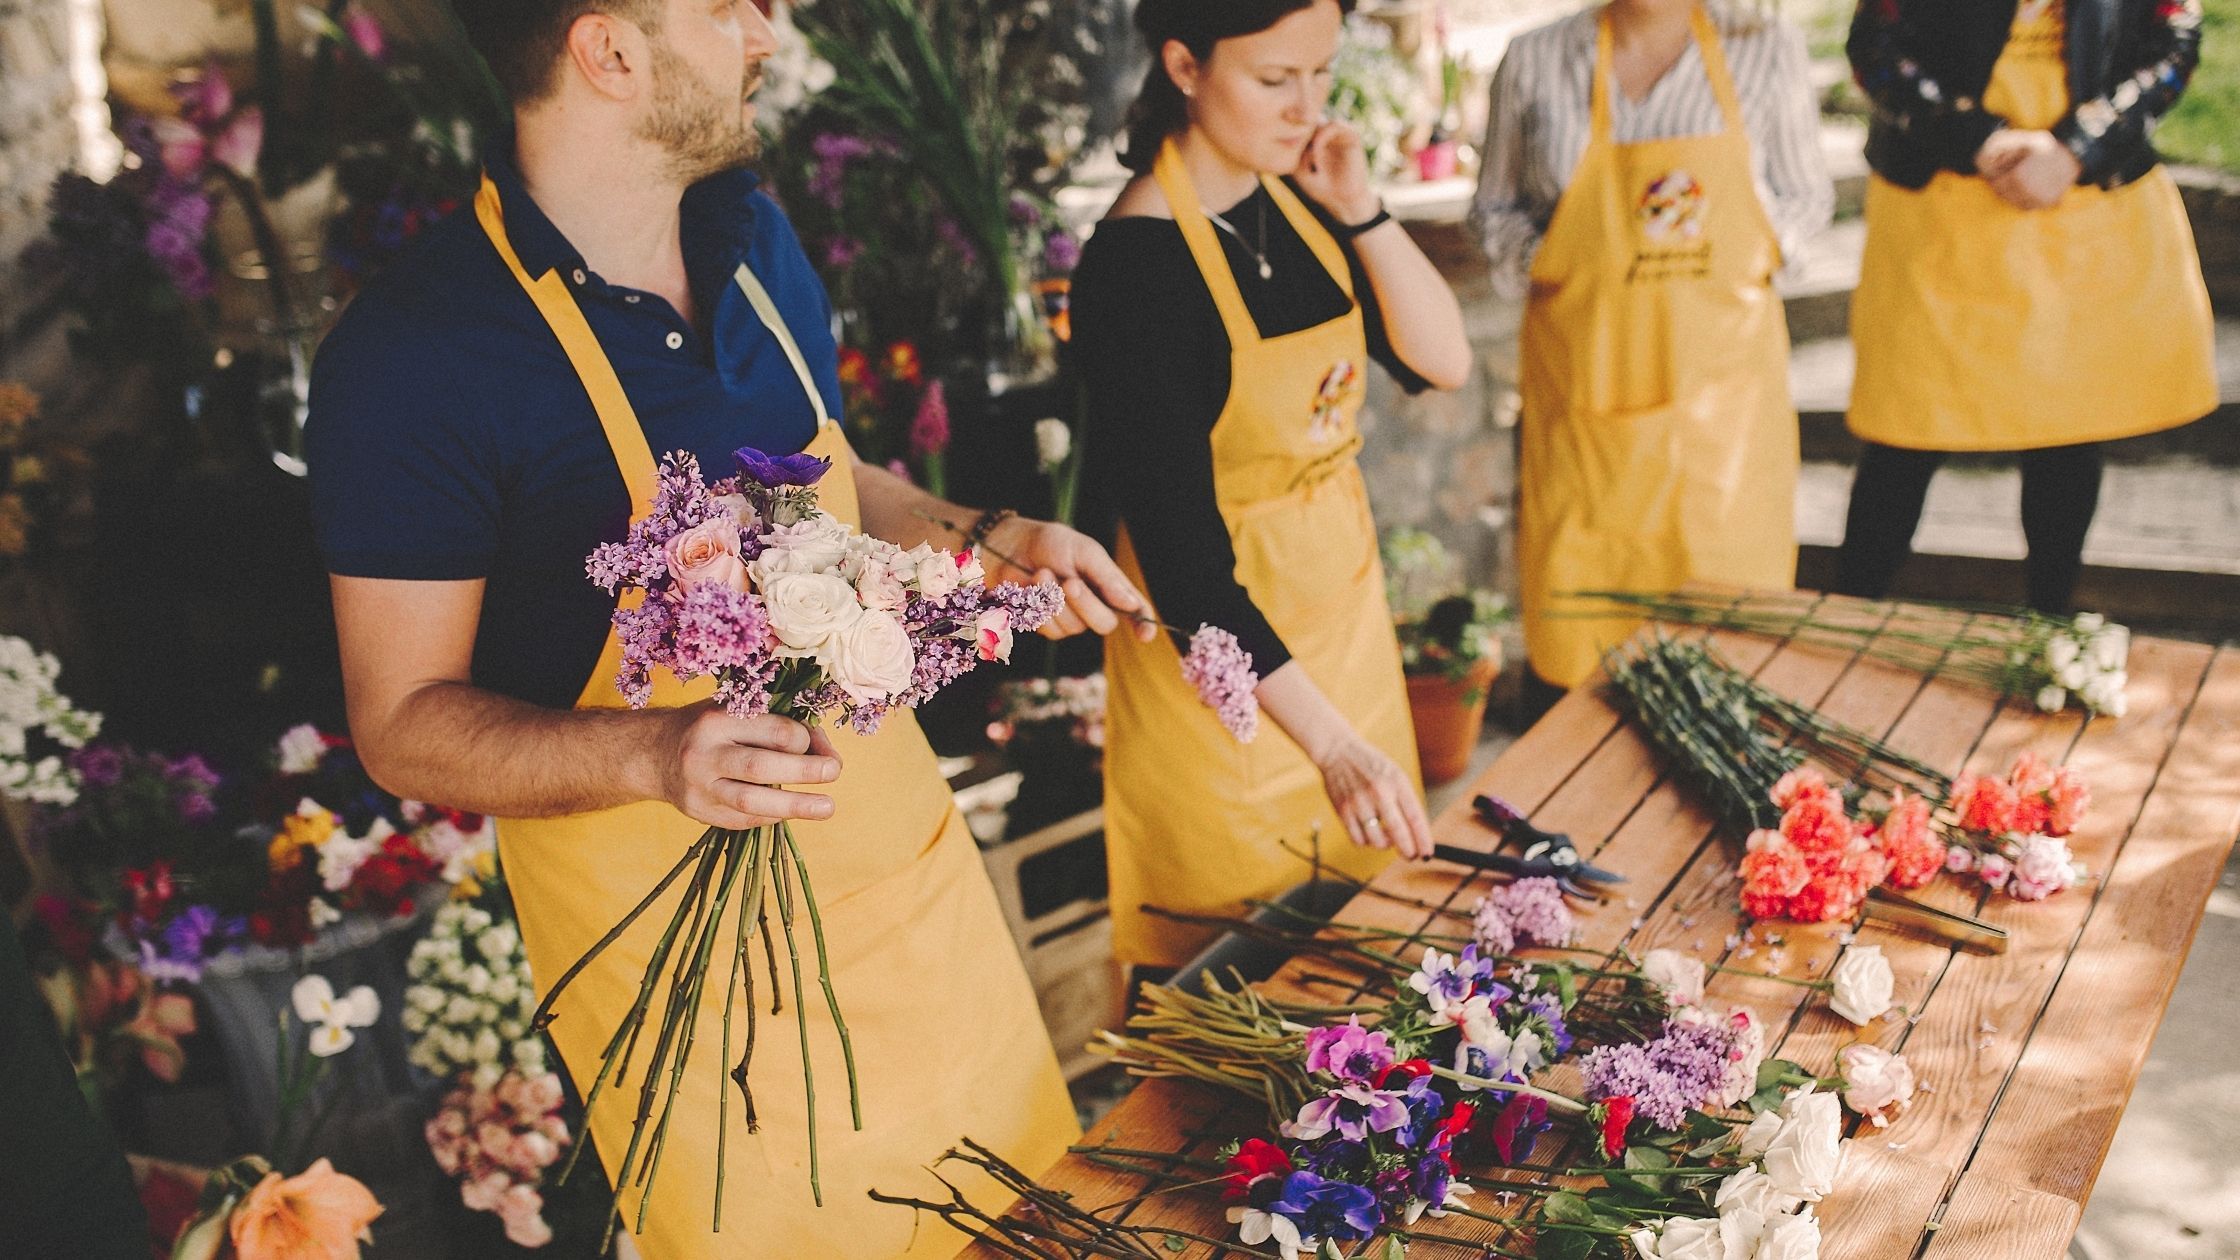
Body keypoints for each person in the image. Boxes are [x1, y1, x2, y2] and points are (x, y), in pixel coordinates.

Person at [306, 3, 1151, 1256]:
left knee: (1021, 1217)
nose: (765, 30)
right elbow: (401, 724)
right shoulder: (416, 355)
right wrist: (652, 755)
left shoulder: (750, 236)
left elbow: (843, 479)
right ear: (609, 51)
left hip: (910, 897)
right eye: (724, 7)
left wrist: (981, 530)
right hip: (704, 1001)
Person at [1072, 0, 1472, 974]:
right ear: (1182, 64)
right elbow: (1186, 574)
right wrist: (1331, 748)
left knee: (1363, 971)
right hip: (1223, 688)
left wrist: (1362, 211)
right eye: (1272, 79)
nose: (1305, 108)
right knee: (1238, 985)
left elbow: (1443, 359)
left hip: (1344, 642)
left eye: (1320, 75)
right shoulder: (1132, 269)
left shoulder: (1293, 206)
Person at [1473, 0, 1832, 691]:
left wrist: (1740, 247)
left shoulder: (1766, 47)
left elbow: (1806, 201)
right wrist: (1566, 255)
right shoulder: (1534, 60)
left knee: (1730, 657)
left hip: (1723, 414)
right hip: (1587, 405)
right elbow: (1493, 211)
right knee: (1583, 666)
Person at [1835, 0, 2216, 613]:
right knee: (1903, 431)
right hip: (1939, 214)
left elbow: (2174, 40)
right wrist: (1973, 136)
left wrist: (2079, 147)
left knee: (2067, 430)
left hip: (2081, 212)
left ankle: (2049, 631)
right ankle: (1840, 619)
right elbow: (1875, 45)